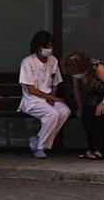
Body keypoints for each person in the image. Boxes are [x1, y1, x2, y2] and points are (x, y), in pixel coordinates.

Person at [18, 31, 70, 159]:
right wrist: (51, 98)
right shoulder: (27, 62)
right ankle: (40, 147)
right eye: (45, 46)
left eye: (49, 46)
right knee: (52, 114)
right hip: (32, 100)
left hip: (48, 98)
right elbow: (31, 90)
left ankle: (38, 140)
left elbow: (55, 82)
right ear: (37, 47)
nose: (48, 49)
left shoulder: (53, 61)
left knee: (64, 111)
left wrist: (52, 96)